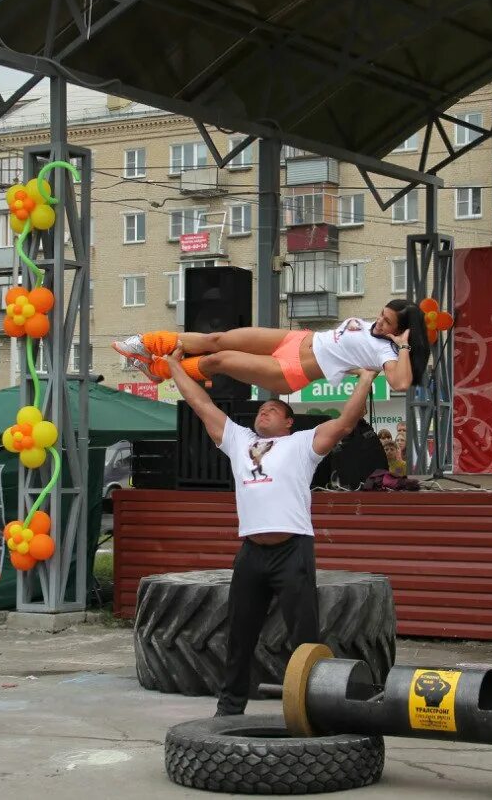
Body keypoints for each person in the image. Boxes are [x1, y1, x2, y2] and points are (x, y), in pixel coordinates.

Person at [161, 345, 379, 716]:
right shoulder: (239, 441)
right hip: (251, 553)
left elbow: (345, 422)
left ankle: (315, 709)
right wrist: (173, 367)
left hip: (292, 551)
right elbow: (201, 404)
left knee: (304, 639)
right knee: (239, 635)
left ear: (288, 422)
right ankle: (230, 709)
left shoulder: (302, 445)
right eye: (262, 408)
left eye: (275, 409)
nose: (266, 410)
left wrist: (366, 379)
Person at [112, 300, 428, 396]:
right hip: (295, 340)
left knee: (219, 360)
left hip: (292, 371)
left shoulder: (386, 351)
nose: (379, 323)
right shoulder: (370, 327)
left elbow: (400, 382)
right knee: (217, 339)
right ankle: (144, 342)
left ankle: (158, 371)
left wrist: (404, 347)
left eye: (388, 324)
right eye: (381, 314)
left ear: (400, 331)